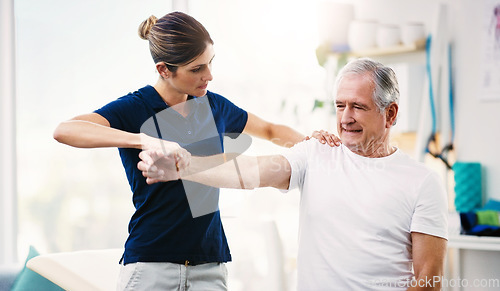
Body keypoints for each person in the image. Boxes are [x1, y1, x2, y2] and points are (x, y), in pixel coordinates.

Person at [53, 11, 339, 291]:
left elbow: (270, 131)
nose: (209, 75)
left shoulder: (214, 107)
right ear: (164, 69)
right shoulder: (135, 108)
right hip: (151, 265)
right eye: (196, 69)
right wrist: (144, 140)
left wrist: (312, 144)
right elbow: (66, 130)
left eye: (210, 63)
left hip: (210, 264)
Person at [138, 58, 449, 290]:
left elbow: (429, 279)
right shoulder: (316, 153)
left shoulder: (422, 182)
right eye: (339, 106)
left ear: (390, 113)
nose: (345, 118)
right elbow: (251, 172)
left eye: (358, 107)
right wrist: (183, 167)